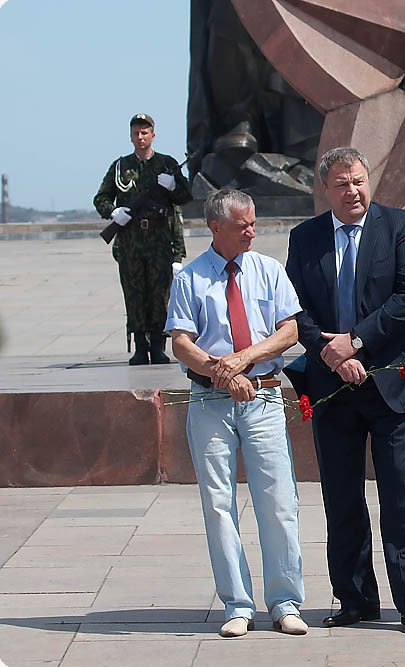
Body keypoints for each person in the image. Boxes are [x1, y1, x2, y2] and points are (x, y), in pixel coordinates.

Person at [285, 147, 405, 635]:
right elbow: (294, 307)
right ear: (324, 189)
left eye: (358, 181)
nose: (351, 191)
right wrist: (331, 353)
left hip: (391, 384)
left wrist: (355, 342)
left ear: (367, 182)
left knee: (402, 497)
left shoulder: (400, 226)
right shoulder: (305, 237)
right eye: (341, 184)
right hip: (332, 387)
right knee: (341, 497)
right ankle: (354, 599)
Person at [165, 188, 307, 638]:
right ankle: (237, 603)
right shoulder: (189, 278)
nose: (252, 230)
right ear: (215, 227)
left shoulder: (269, 271)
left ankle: (285, 601)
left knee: (278, 501)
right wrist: (223, 374)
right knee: (218, 504)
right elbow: (182, 343)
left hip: (263, 397)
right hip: (209, 402)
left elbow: (289, 331)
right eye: (242, 224)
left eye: (253, 221)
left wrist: (243, 359)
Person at [94, 113, 192, 365]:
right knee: (135, 295)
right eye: (136, 133)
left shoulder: (166, 164)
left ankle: (158, 348)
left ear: (153, 135)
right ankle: (140, 348)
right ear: (131, 136)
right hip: (130, 243)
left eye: (144, 132)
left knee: (160, 296)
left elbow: (185, 197)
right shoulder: (120, 167)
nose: (140, 137)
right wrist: (113, 212)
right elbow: (101, 197)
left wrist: (172, 186)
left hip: (160, 243)